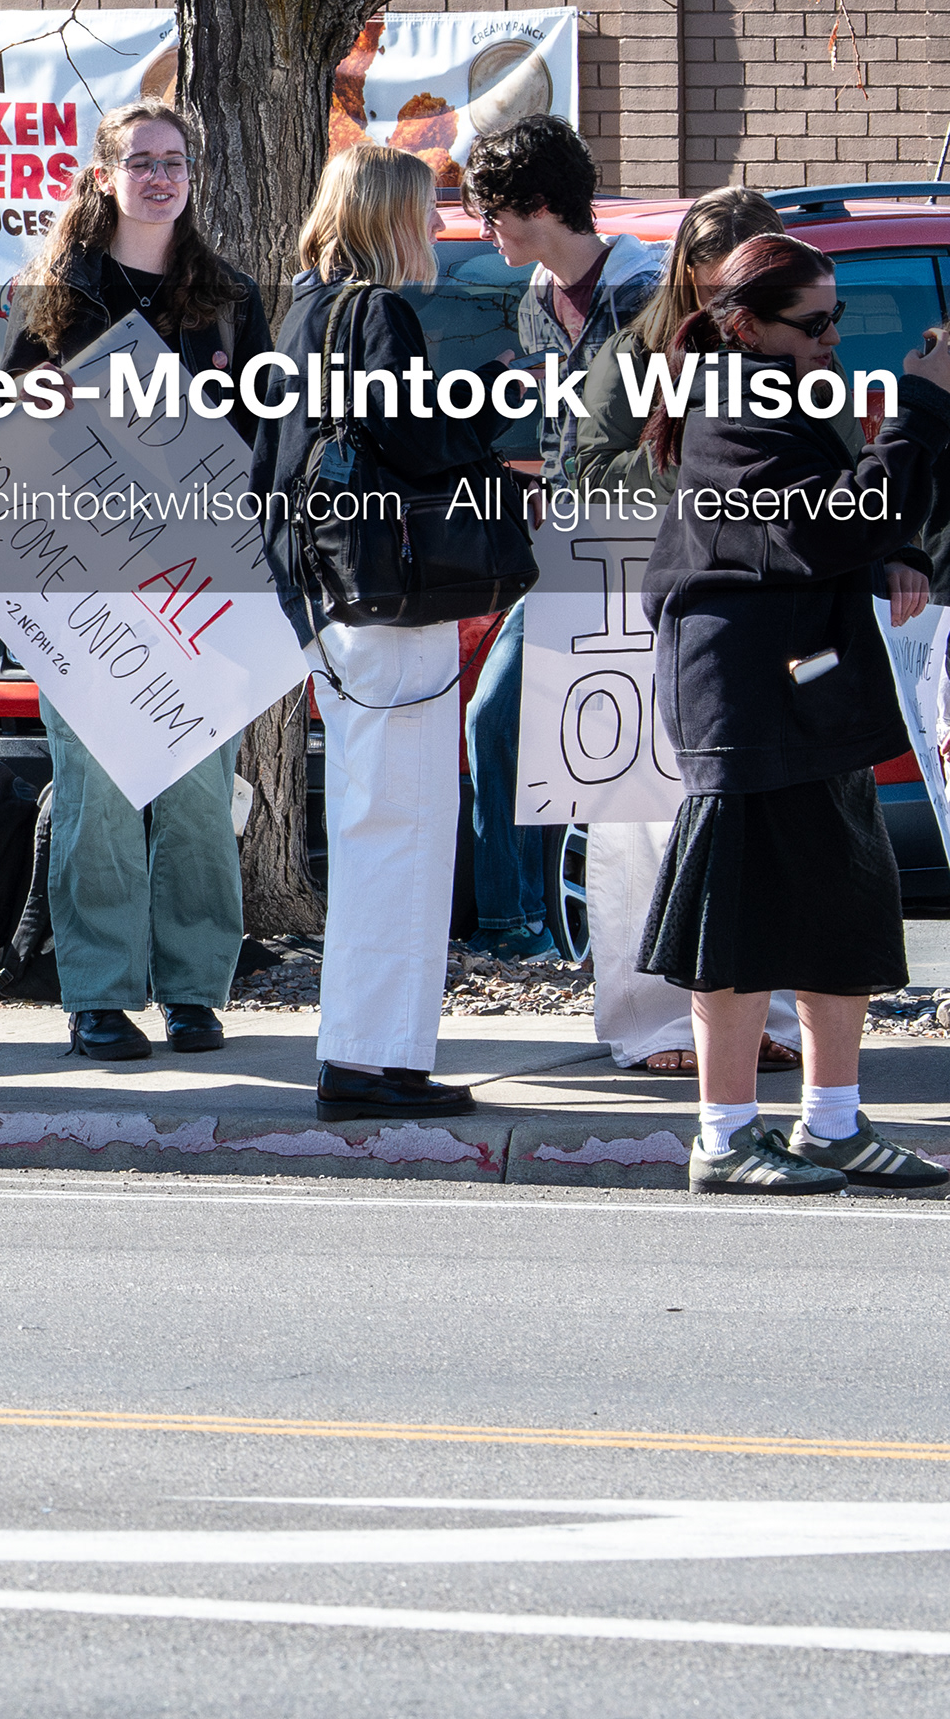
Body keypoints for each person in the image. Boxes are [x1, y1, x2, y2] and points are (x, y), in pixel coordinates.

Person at [638, 234, 950, 1192]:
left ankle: (833, 1123)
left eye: (836, 319)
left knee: (838, 908)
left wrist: (892, 556)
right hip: (747, 693)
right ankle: (725, 1136)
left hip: (808, 687)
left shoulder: (776, 399)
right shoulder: (734, 408)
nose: (830, 339)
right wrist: (921, 410)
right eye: (811, 324)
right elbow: (821, 525)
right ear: (742, 325)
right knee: (741, 922)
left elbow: (823, 531)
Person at [0, 100, 274, 1063]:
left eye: (176, 161)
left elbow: (265, 436)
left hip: (201, 582)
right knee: (100, 792)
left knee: (200, 792)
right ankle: (100, 997)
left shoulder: (230, 296)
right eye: (143, 161)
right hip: (88, 585)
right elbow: (15, 433)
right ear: (105, 175)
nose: (162, 176)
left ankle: (195, 990)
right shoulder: (57, 296)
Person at [252, 143, 516, 1118]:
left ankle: (367, 1053)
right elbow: (425, 442)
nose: (439, 223)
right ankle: (376, 1061)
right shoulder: (381, 315)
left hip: (329, 605)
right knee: (406, 831)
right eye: (427, 207)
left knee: (371, 827)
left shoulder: (300, 315)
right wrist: (497, 391)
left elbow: (268, 475)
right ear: (388, 217)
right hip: (393, 604)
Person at [557, 187, 806, 1076]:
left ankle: (762, 1016)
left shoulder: (788, 356)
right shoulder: (634, 354)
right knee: (641, 826)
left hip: (756, 607)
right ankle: (654, 1023)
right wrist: (696, 452)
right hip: (642, 602)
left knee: (752, 814)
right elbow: (586, 474)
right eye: (725, 276)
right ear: (693, 275)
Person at [456, 115, 660, 961]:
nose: (483, 228)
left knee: (625, 758)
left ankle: (631, 944)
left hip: (640, 552)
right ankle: (516, 926)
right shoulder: (538, 298)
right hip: (559, 547)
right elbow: (557, 432)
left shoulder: (645, 293)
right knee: (496, 717)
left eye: (491, 211)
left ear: (539, 204)